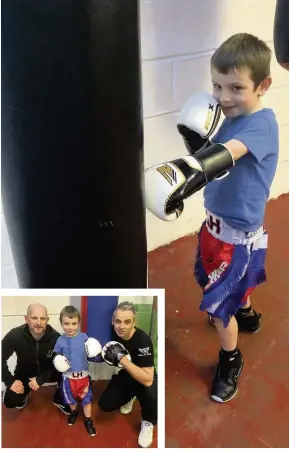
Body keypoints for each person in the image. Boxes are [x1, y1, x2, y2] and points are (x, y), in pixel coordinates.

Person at [145, 33, 278, 403]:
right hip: (215, 229)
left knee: (220, 309)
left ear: (264, 85)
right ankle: (247, 315)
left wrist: (183, 179)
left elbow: (225, 156)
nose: (224, 97)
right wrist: (196, 143)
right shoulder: (226, 117)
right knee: (231, 290)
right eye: (217, 86)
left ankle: (230, 358)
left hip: (236, 239)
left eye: (237, 87)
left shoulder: (261, 126)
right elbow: (213, 152)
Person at [98, 302, 157, 448]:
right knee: (105, 404)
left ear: (134, 322)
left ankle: (148, 423)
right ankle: (131, 396)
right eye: (118, 321)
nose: (121, 326)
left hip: (145, 377)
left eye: (127, 322)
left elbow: (148, 379)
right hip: (127, 376)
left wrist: (122, 358)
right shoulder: (113, 333)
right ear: (113, 321)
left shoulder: (142, 340)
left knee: (151, 395)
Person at [2, 303, 70, 414]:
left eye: (42, 318)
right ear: (26, 319)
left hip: (49, 372)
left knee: (68, 372)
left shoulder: (56, 337)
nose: (38, 323)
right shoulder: (15, 335)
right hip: (26, 374)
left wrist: (40, 379)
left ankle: (60, 395)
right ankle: (21, 395)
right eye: (34, 318)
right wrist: (10, 381)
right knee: (11, 401)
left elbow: (64, 363)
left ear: (47, 320)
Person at [52, 305, 100, 437]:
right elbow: (55, 355)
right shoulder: (60, 340)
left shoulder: (84, 337)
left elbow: (92, 354)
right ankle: (74, 413)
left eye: (74, 323)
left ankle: (89, 421)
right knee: (71, 400)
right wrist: (57, 360)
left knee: (87, 401)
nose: (70, 327)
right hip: (68, 378)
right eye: (66, 323)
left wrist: (95, 353)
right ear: (61, 323)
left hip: (83, 378)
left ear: (79, 323)